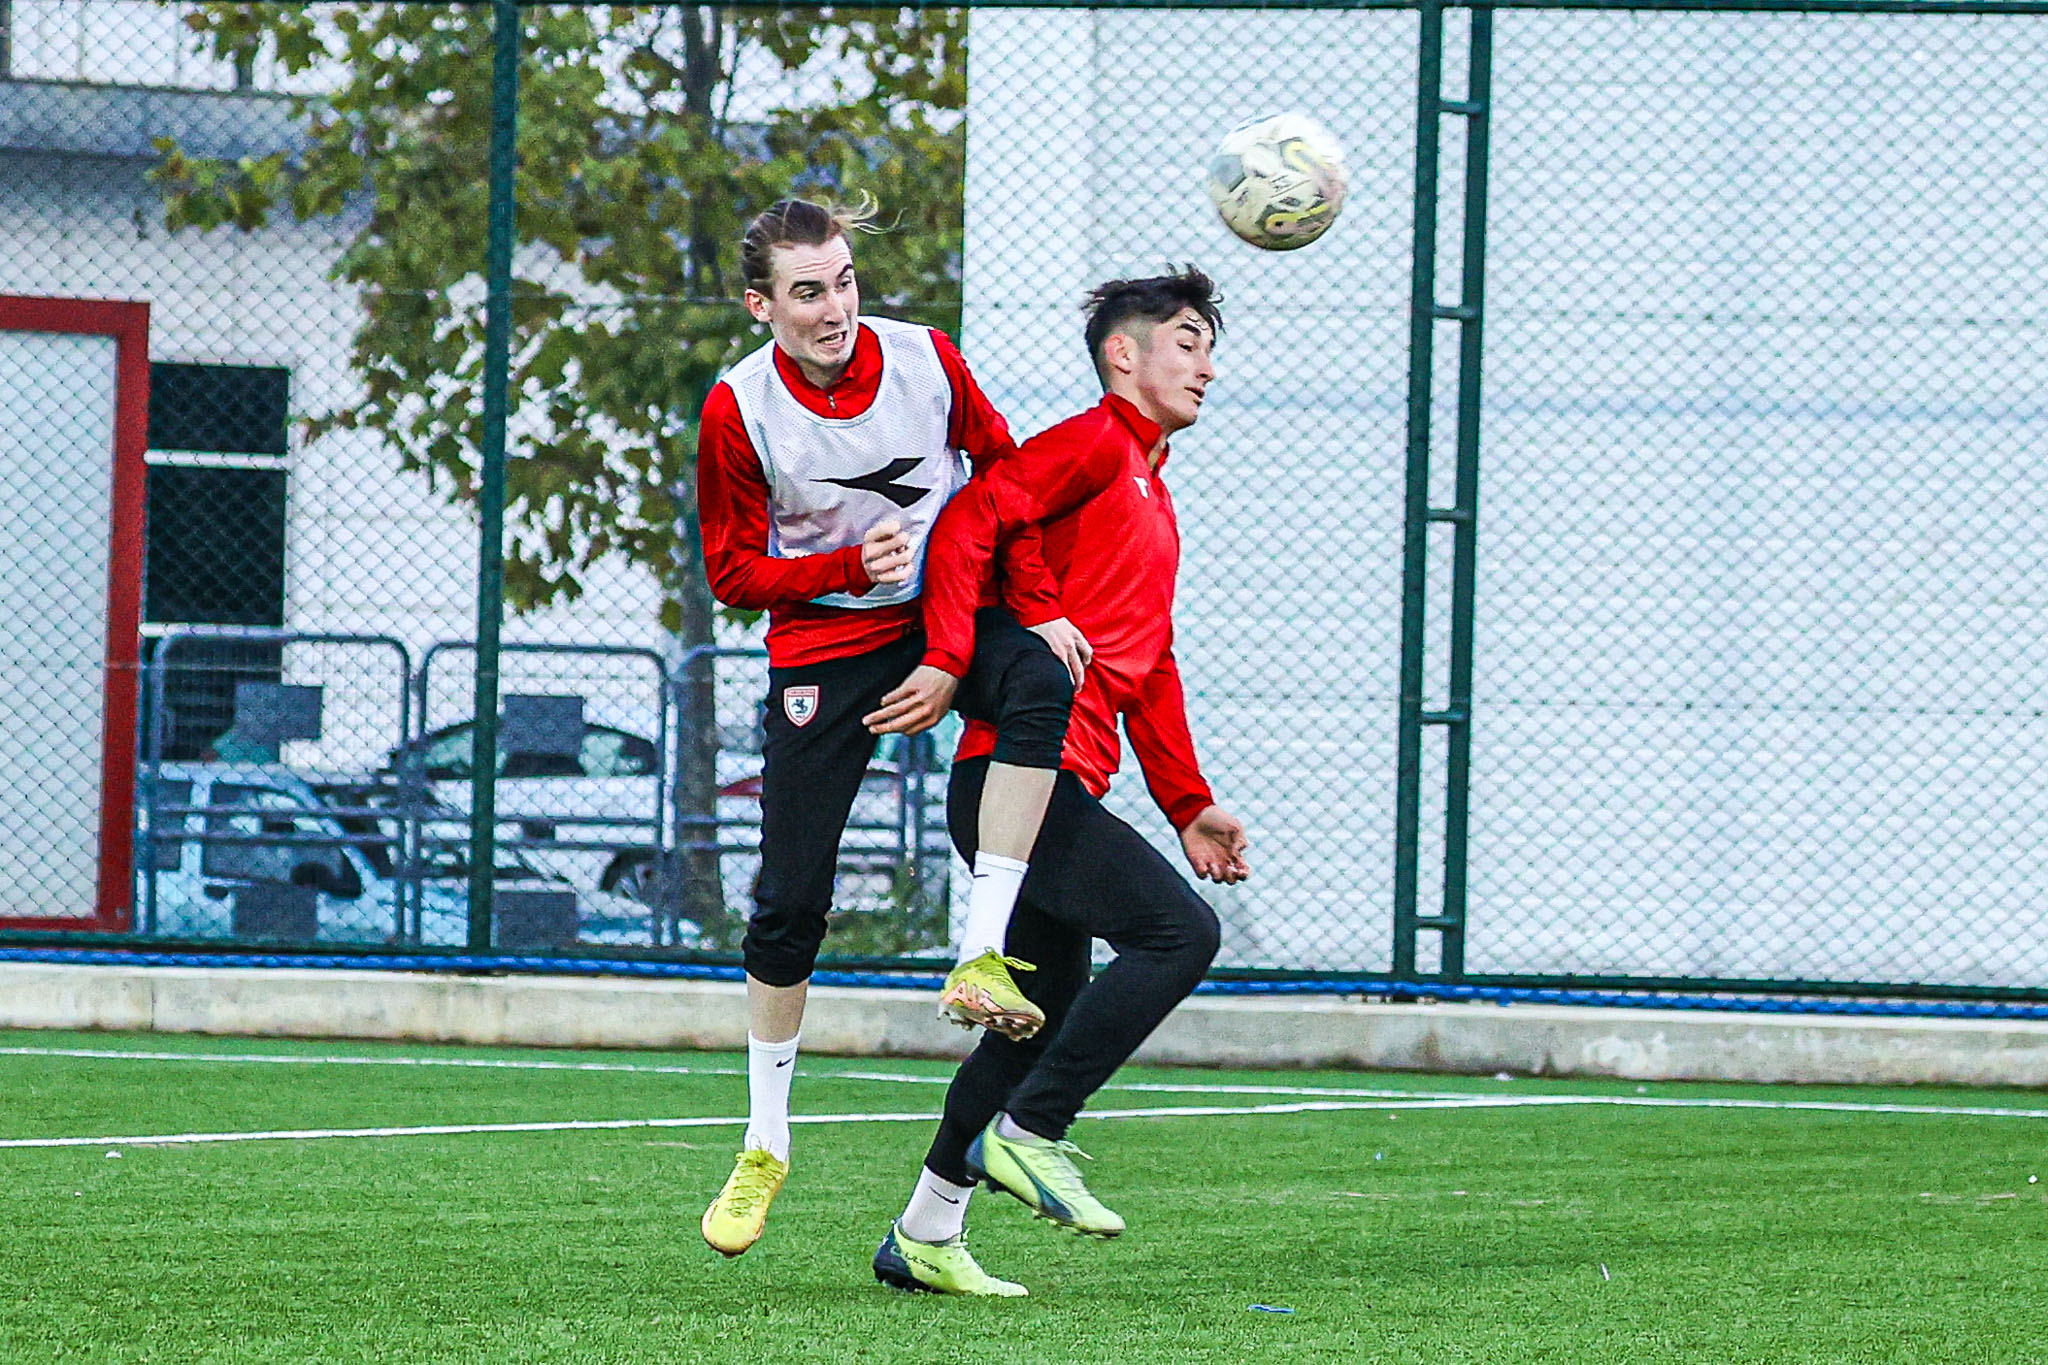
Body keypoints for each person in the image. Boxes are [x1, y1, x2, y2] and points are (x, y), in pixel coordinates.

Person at [694, 198, 1092, 1259]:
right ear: (762, 303)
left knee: (1040, 683)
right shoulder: (737, 409)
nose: (834, 309)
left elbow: (1005, 480)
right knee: (788, 903)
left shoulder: (925, 361)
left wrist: (1039, 603)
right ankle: (765, 1140)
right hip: (824, 646)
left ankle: (979, 955)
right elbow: (733, 571)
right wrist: (840, 569)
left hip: (945, 612)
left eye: (844, 282)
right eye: (807, 291)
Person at [869, 266, 1251, 1297]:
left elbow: (1149, 663)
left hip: (1060, 787)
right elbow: (973, 516)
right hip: (1010, 781)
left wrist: (1187, 803)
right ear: (1121, 355)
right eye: (1186, 341)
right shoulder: (1093, 444)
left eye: (1208, 346)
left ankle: (923, 1235)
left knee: (1031, 1012)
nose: (1206, 365)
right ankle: (1032, 1130)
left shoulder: (1150, 490)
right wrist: (961, 649)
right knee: (1178, 936)